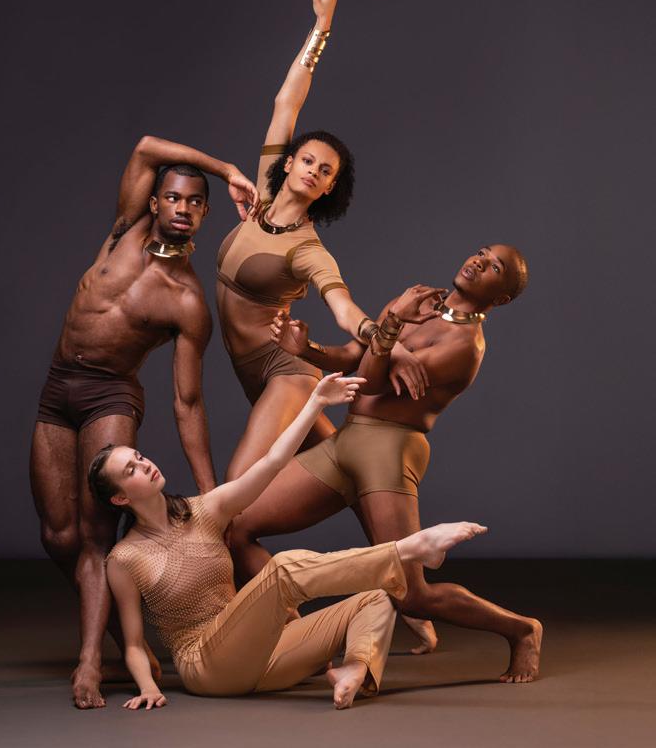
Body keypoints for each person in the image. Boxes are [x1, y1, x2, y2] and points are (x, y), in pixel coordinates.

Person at [230, 245, 543, 683]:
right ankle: (302, 641)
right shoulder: (419, 300)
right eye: (481, 253)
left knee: (411, 595)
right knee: (237, 527)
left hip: (390, 451)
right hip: (348, 440)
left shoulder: (465, 346)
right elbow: (353, 356)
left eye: (494, 267)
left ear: (501, 297)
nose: (477, 261)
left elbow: (371, 382)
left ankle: (522, 630)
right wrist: (307, 349)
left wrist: (393, 323)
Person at [91, 372, 488, 710]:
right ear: (120, 498)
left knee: (378, 596)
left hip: (263, 657)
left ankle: (355, 669)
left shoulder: (205, 510)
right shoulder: (125, 558)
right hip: (206, 667)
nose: (144, 464)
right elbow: (134, 643)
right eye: (131, 470)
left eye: (139, 457)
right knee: (281, 569)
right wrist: (148, 688)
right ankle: (409, 549)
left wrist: (316, 402)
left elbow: (272, 462)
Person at [30, 135, 258, 708]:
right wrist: (227, 168)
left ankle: (90, 662)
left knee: (96, 535)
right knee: (59, 537)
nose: (183, 208)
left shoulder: (187, 300)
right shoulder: (123, 231)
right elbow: (147, 146)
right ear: (153, 203)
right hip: (57, 390)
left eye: (195, 202)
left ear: (203, 214)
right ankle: (121, 637)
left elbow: (188, 402)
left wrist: (211, 497)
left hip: (110, 397)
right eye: (174, 198)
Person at [216, 0, 427, 483]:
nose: (314, 170)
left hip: (284, 372)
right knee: (346, 473)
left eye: (326, 171)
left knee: (236, 491)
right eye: (308, 160)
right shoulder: (262, 192)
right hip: (249, 371)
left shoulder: (308, 250)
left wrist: (388, 343)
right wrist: (321, 28)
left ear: (330, 187)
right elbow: (287, 101)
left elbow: (344, 309)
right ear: (289, 162)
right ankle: (400, 523)